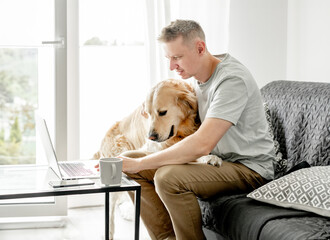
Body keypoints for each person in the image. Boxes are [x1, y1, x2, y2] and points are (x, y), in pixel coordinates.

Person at [118, 20, 275, 240]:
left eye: (177, 57)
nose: (172, 66)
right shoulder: (195, 81)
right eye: (169, 58)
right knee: (127, 160)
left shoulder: (231, 80)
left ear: (200, 48)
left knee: (167, 177)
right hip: (220, 163)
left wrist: (143, 163)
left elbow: (203, 144)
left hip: (250, 168)